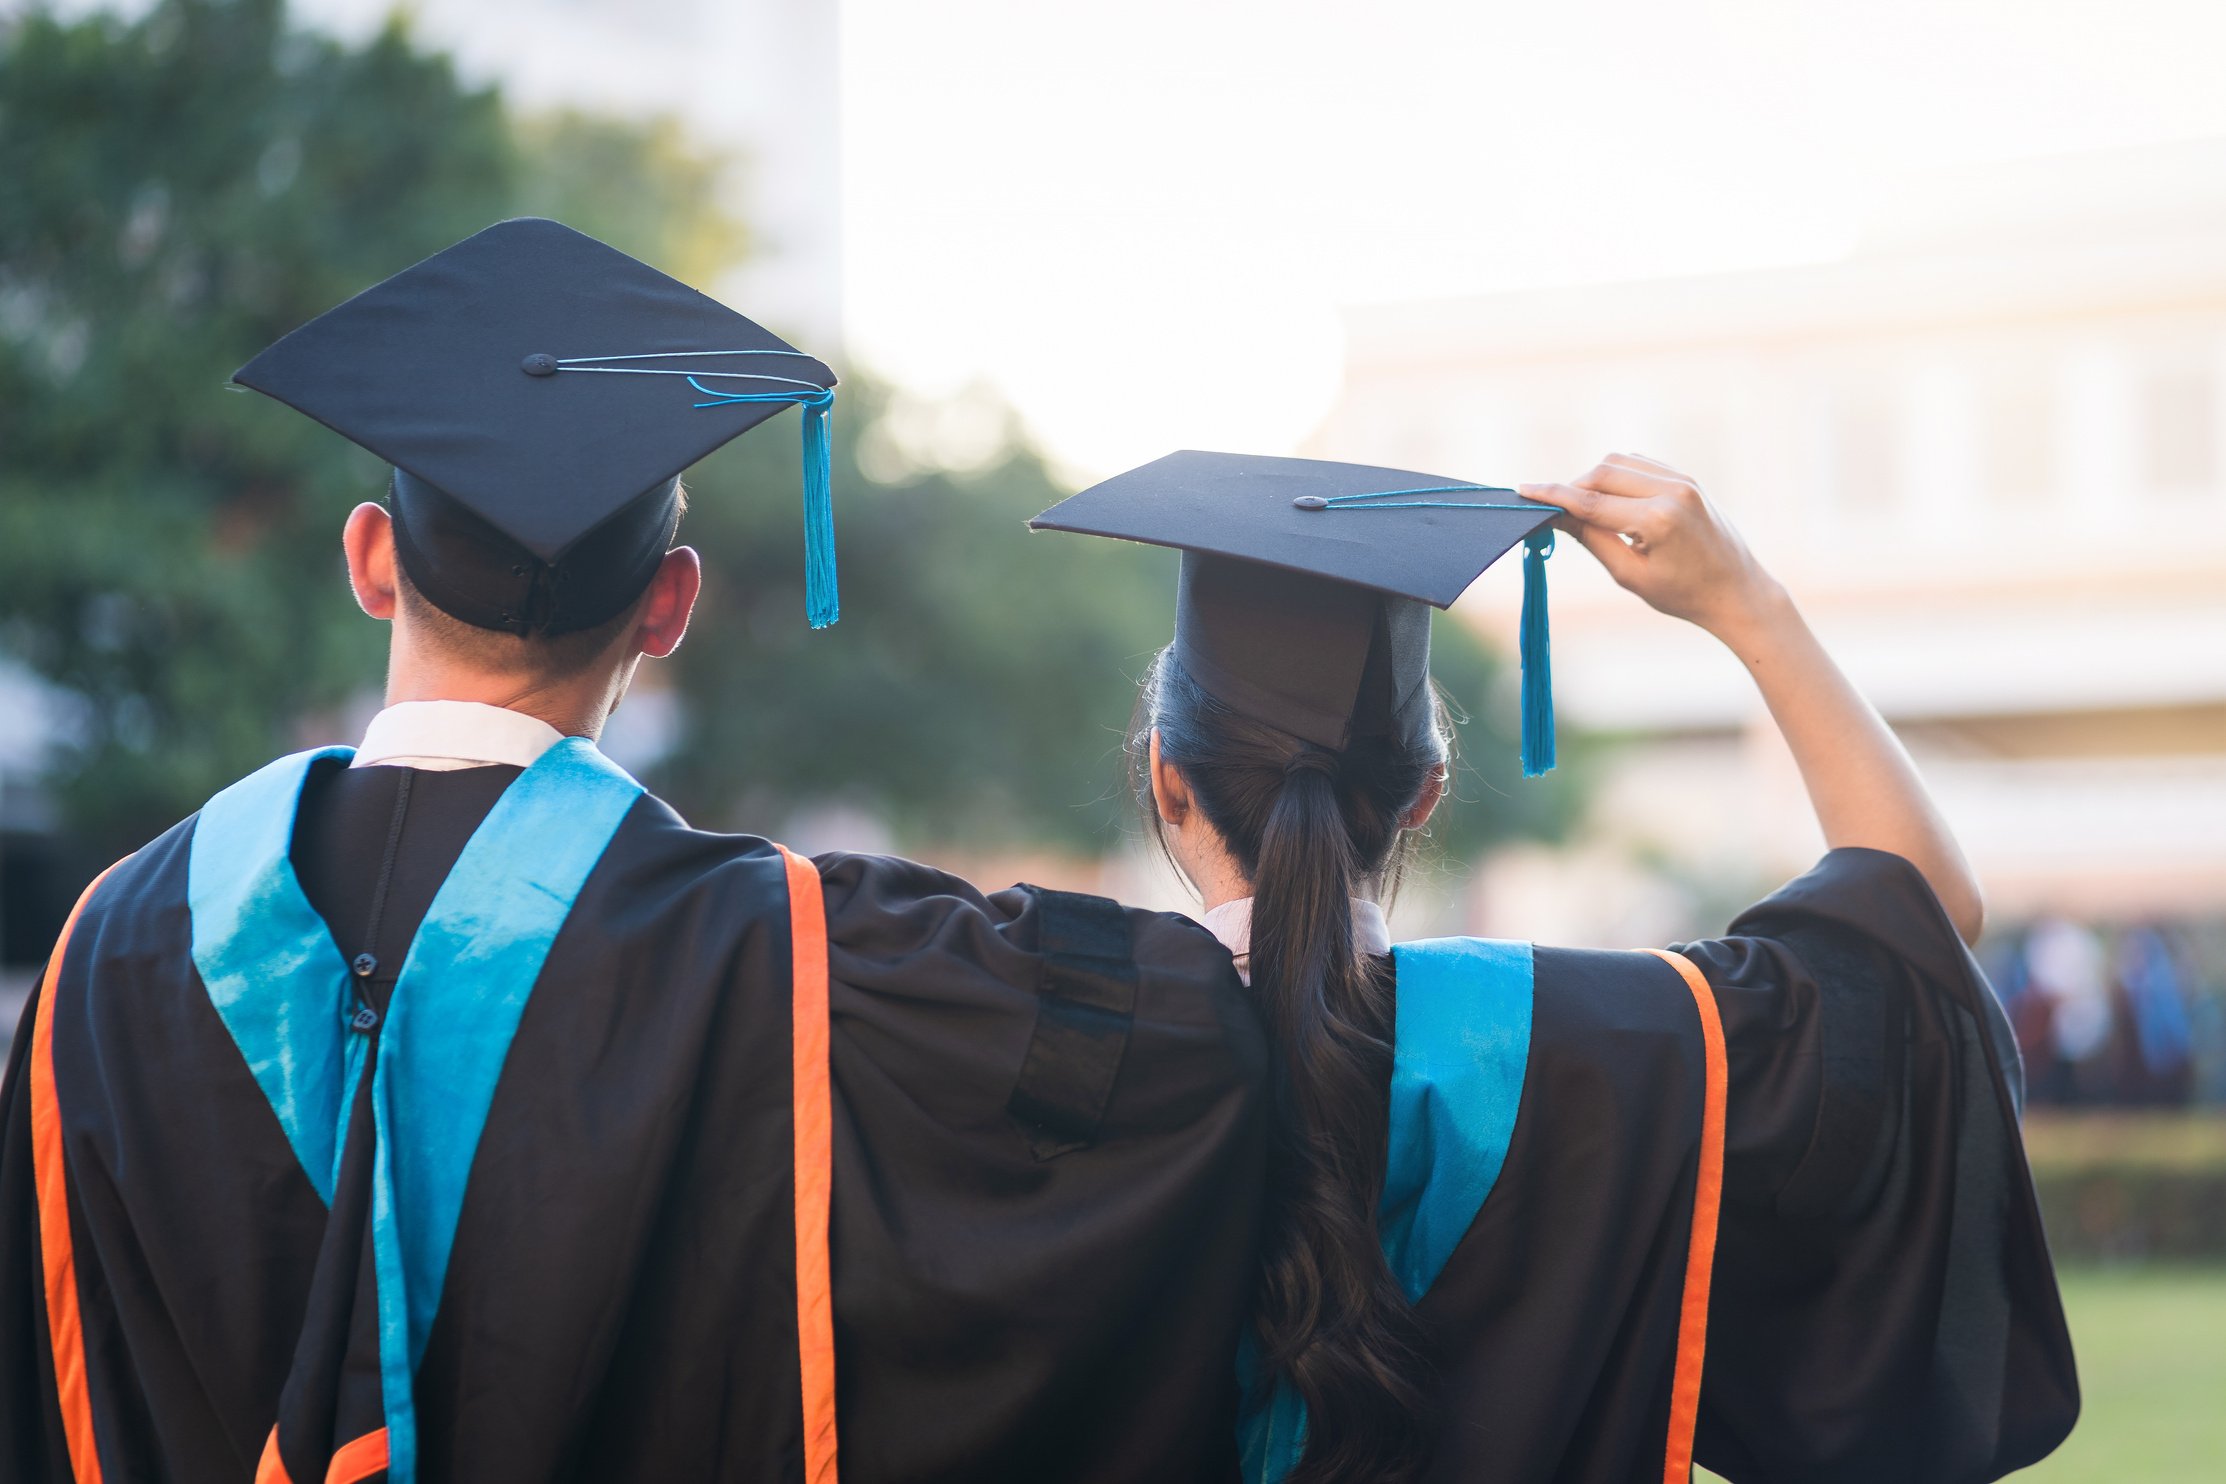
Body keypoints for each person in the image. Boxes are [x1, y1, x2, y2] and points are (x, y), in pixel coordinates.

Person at [0, 220, 1267, 1483]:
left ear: (372, 562)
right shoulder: (782, 955)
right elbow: (1162, 1036)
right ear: (671, 603)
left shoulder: (105, 950)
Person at [1032, 449, 2080, 1483]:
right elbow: (1917, 922)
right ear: (1424, 796)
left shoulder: (1017, 1026)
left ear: (1168, 780)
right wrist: (1747, 602)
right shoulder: (1613, 1041)